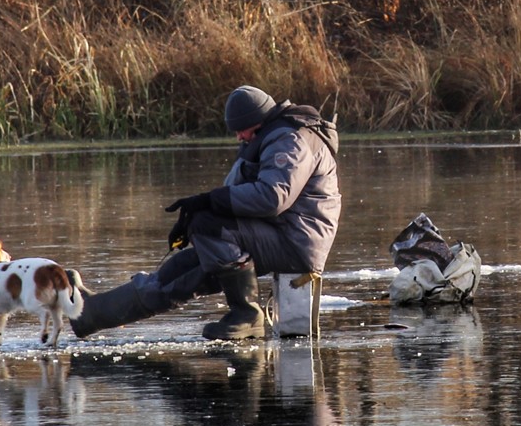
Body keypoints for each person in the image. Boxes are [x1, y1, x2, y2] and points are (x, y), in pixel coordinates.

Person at [72, 85, 340, 341]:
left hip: (296, 243)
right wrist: (192, 215)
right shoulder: (268, 136)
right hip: (274, 233)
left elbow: (272, 197)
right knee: (181, 268)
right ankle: (91, 314)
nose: (239, 137)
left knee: (208, 226)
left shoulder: (289, 141)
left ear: (257, 121)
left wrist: (208, 203)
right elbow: (235, 193)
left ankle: (247, 314)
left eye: (242, 130)